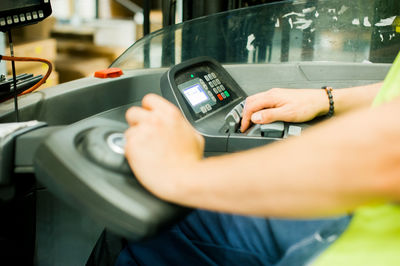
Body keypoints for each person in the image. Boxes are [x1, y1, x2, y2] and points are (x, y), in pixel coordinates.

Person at [109, 53, 400, 265]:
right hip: (368, 215)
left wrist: (180, 173)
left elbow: (391, 156)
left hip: (367, 246)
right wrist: (326, 99)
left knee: (168, 224)